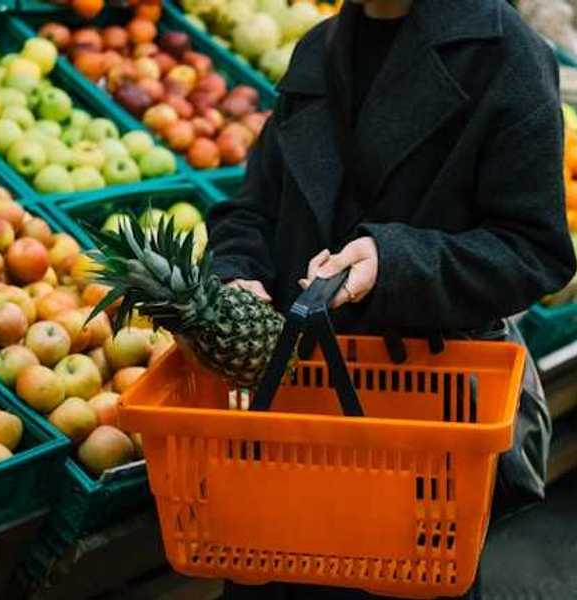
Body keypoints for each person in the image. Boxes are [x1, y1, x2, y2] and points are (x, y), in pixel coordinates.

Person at [207, 0, 576, 598]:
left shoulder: (505, 55)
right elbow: (251, 209)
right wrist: (236, 272)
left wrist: (395, 262)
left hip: (420, 433)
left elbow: (535, 251)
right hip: (290, 422)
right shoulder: (317, 51)